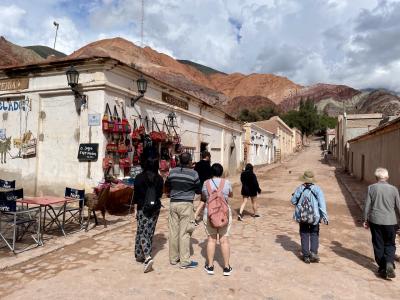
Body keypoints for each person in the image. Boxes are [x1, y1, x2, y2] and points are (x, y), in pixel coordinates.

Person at [194, 163, 233, 276]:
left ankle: (210, 266)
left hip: (209, 214)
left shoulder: (206, 183)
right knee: (224, 240)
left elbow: (204, 198)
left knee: (211, 240)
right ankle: (226, 267)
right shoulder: (226, 183)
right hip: (223, 215)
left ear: (211, 172)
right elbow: (230, 195)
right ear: (221, 173)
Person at [165, 152, 202, 269]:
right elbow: (198, 190)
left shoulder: (172, 171)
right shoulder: (194, 174)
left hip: (173, 203)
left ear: (179, 160)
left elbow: (167, 185)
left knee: (173, 231)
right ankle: (185, 261)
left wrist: (171, 192)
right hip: (186, 204)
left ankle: (173, 258)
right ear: (190, 161)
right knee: (185, 232)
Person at [363, 168, 400, 279]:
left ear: (376, 177)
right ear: (387, 177)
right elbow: (399, 206)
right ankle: (389, 262)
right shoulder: (394, 189)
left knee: (378, 243)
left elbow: (367, 206)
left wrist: (365, 219)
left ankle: (383, 267)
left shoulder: (371, 188)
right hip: (391, 221)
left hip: (375, 220)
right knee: (390, 243)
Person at [133, 157, 164, 273]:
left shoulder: (139, 178)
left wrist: (135, 209)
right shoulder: (160, 179)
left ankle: (147, 257)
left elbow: (136, 195)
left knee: (142, 231)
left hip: (142, 208)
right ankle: (139, 254)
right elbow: (160, 194)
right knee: (149, 231)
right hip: (155, 208)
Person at [291, 170, 328, 264]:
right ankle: (313, 253)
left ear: (304, 179)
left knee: (304, 233)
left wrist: (299, 202)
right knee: (314, 233)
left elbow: (293, 201)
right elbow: (322, 204)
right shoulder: (318, 189)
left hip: (302, 216)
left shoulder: (300, 188)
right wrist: (324, 217)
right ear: (312, 179)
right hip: (315, 216)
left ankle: (306, 256)